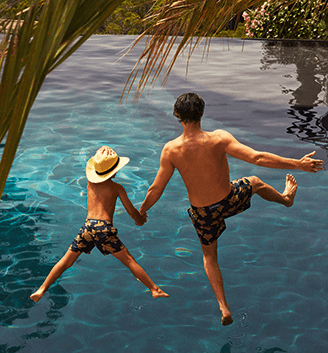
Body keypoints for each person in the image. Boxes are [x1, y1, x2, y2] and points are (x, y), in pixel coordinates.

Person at [138, 92, 323, 326]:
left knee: (209, 256)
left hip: (204, 213)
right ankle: (286, 199)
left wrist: (142, 211)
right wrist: (298, 164)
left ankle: (224, 307)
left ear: (177, 116)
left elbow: (156, 189)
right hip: (229, 200)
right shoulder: (219, 138)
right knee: (254, 181)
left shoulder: (171, 150)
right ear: (202, 113)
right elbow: (257, 157)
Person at [30, 146, 169, 303]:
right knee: (129, 260)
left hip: (87, 227)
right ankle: (154, 289)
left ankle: (41, 289)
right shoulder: (117, 188)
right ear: (113, 171)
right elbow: (131, 211)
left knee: (66, 261)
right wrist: (140, 219)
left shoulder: (90, 184)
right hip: (104, 229)